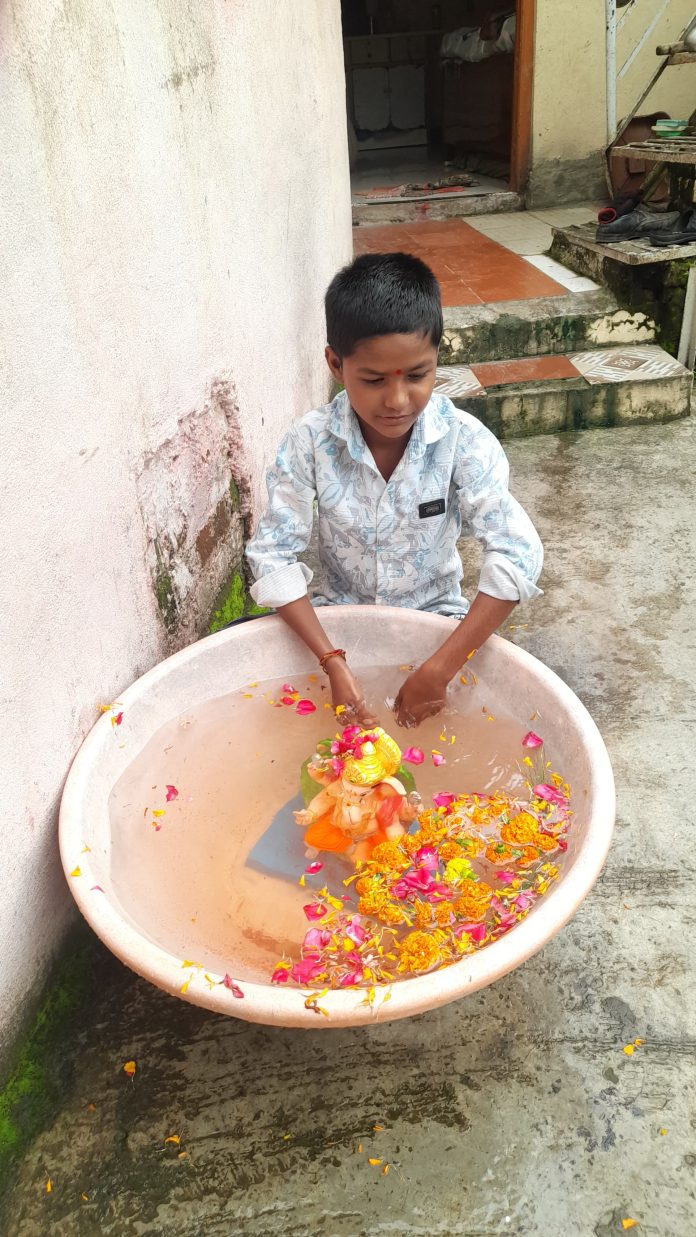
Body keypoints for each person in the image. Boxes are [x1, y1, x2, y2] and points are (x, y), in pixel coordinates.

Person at [245, 252, 543, 727]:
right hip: (339, 624)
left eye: (418, 376)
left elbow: (517, 555)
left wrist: (440, 668)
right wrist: (331, 660)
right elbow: (273, 555)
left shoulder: (463, 441)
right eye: (373, 379)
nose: (398, 401)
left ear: (437, 359)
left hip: (438, 625)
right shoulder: (309, 442)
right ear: (335, 364)